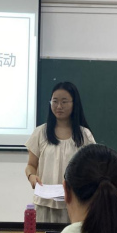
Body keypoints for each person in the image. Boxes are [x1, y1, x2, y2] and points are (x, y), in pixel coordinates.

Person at [25, 82, 96, 223]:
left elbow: (92, 169)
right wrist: (31, 176)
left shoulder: (84, 135)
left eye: (64, 102)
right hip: (44, 203)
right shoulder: (40, 132)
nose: (59, 106)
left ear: (74, 103)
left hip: (74, 204)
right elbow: (31, 165)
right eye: (55, 101)